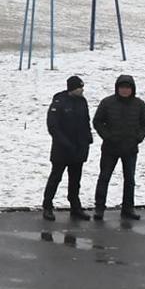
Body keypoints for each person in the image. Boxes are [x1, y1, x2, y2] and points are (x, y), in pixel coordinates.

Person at [92, 73, 145, 220]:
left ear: (132, 89)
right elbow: (97, 121)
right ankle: (99, 208)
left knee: (129, 180)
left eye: (127, 88)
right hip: (110, 148)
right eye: (122, 87)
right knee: (104, 177)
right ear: (117, 88)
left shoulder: (139, 104)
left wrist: (138, 138)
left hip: (130, 149)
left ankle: (128, 208)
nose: (125, 90)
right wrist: (107, 136)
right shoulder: (107, 103)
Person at [43, 75, 92, 221]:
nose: (82, 90)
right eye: (79, 88)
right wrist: (65, 143)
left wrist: (87, 139)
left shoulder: (82, 101)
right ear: (72, 88)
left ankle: (75, 206)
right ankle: (47, 206)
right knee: (55, 178)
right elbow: (53, 126)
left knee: (75, 180)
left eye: (82, 87)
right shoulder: (59, 102)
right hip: (62, 149)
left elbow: (86, 121)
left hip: (79, 147)